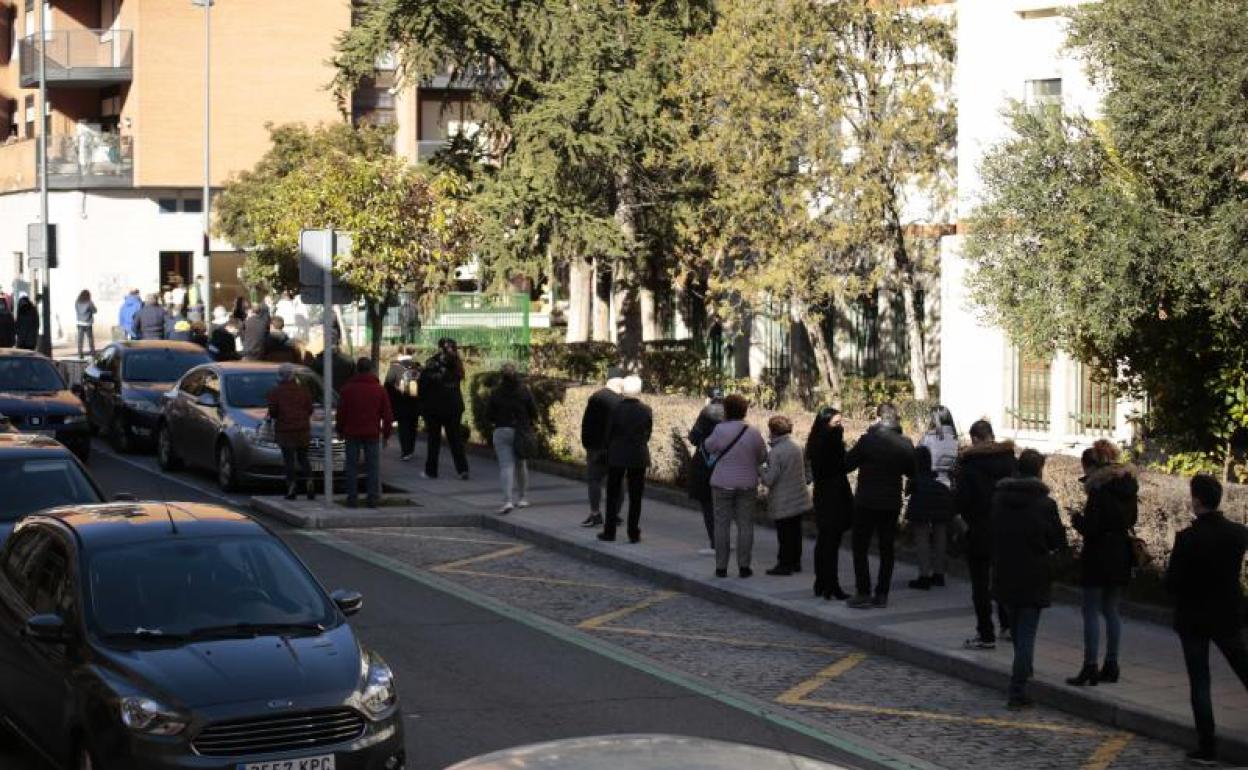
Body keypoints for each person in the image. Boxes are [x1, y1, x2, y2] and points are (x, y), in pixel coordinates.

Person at [1166, 474, 1248, 766]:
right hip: (1227, 613)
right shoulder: (1239, 533)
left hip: (1193, 616)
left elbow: (1173, 582)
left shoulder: (1188, 538)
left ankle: (1207, 746)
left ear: (1197, 500)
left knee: (1200, 681)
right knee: (1244, 669)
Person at [992, 449, 1067, 710]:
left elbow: (993, 530)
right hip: (1034, 574)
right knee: (1026, 636)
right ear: (1039, 471)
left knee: (1017, 630)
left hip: (1005, 572)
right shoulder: (1045, 504)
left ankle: (1023, 674)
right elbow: (1058, 540)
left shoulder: (999, 498)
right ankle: (1018, 688)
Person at [1067, 439, 1138, 686]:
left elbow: (1092, 528)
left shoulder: (1099, 490)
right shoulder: (1128, 485)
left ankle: (1090, 666)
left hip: (1098, 555)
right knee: (1112, 610)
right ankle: (1112, 663)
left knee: (1090, 611)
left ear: (1092, 466)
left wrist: (1077, 519)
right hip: (1120, 552)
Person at [844, 403, 915, 609]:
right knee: (887, 548)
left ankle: (863, 591)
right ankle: (882, 593)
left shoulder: (868, 441)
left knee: (860, 547)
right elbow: (912, 471)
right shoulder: (905, 443)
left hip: (866, 500)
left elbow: (848, 463)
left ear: (878, 418)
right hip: (891, 501)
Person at [955, 419, 1017, 647]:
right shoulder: (1010, 460)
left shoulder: (970, 465)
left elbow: (961, 501)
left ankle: (986, 633)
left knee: (980, 584)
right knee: (1002, 579)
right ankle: (1008, 625)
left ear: (976, 439)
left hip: (979, 529)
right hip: (1006, 529)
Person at [703, 394, 768, 578]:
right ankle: (744, 567)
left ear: (726, 410)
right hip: (747, 484)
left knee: (721, 525)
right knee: (745, 525)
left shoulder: (719, 430)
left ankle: (721, 567)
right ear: (744, 410)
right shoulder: (753, 432)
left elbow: (708, 448)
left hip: (722, 483)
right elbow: (762, 456)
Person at [807, 407, 854, 600]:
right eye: (836, 423)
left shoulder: (816, 441)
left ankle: (822, 582)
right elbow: (841, 464)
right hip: (833, 494)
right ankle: (831, 585)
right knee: (830, 540)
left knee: (825, 539)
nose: (840, 427)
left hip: (824, 494)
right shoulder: (828, 442)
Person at [911, 406, 958, 589]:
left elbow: (918, 458)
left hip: (925, 487)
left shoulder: (928, 439)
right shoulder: (955, 440)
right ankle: (939, 574)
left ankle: (924, 575)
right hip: (946, 488)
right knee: (941, 532)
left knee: (922, 532)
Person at [336, 358, 393, 508]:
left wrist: (340, 430)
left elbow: (341, 413)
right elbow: (387, 416)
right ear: (371, 370)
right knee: (372, 467)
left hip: (351, 432)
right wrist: (386, 435)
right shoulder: (379, 390)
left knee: (351, 466)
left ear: (357, 370)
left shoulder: (347, 389)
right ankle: (372, 498)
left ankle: (352, 498)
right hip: (372, 433)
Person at [760, 415, 811, 576]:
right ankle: (796, 562)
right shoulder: (797, 446)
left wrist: (759, 469)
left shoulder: (776, 452)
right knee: (795, 532)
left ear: (773, 432)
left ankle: (784, 564)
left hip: (783, 498)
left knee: (784, 534)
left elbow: (769, 479)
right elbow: (806, 471)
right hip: (799, 496)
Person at [487, 363, 538, 514]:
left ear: (501, 376)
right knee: (521, 465)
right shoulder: (524, 391)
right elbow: (534, 412)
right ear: (516, 374)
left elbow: (488, 415)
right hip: (521, 430)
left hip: (502, 430)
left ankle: (507, 501)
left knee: (506, 467)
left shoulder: (496, 393)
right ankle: (522, 498)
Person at [905, 446, 955, 590]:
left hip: (922, 499)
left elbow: (908, 491)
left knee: (922, 538)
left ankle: (924, 576)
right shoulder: (937, 483)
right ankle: (939, 574)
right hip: (940, 498)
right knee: (940, 536)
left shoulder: (916, 481)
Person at [420, 338, 470, 480]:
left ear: (440, 348)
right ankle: (462, 469)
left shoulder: (432, 363)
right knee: (455, 440)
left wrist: (422, 406)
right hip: (454, 407)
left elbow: (423, 386)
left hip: (435, 407)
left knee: (433, 440)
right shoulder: (457, 364)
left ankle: (431, 471)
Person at [580, 375, 624, 528]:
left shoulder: (596, 398)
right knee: (618, 482)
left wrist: (587, 444)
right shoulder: (621, 402)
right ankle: (615, 514)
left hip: (596, 448)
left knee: (594, 480)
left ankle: (595, 513)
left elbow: (587, 424)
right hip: (616, 448)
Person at [266, 364, 316, 501]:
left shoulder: (276, 392)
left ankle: (291, 488)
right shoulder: (303, 391)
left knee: (289, 461)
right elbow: (310, 409)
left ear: (280, 376)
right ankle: (309, 482)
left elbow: (273, 412)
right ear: (293, 376)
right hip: (303, 430)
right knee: (303, 458)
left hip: (285, 431)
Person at [687, 387, 726, 553]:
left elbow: (694, 438)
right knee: (724, 506)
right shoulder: (731, 415)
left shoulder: (706, 414)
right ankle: (724, 540)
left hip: (705, 465)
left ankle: (715, 543)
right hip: (726, 464)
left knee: (708, 505)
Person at [383, 349, 422, 461]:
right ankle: (411, 449)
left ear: (400, 354)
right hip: (415, 403)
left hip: (401, 404)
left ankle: (405, 451)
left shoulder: (395, 368)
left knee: (403, 427)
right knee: (413, 426)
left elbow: (387, 386)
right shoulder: (418, 367)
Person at [72, 290, 98, 358]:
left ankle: (80, 353)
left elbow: (76, 310)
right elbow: (95, 311)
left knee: (80, 339)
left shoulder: (77, 302)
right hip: (88, 323)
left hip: (79, 323)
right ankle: (92, 353)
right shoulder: (89, 302)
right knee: (90, 339)